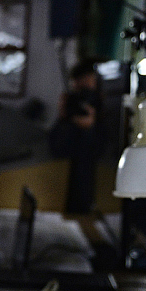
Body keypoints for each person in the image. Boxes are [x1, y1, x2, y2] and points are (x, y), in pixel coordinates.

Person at [48, 60, 107, 214]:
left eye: (90, 81)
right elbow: (56, 148)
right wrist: (63, 117)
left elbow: (101, 148)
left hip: (91, 170)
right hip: (64, 173)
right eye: (79, 84)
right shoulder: (70, 104)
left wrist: (91, 127)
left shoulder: (102, 106)